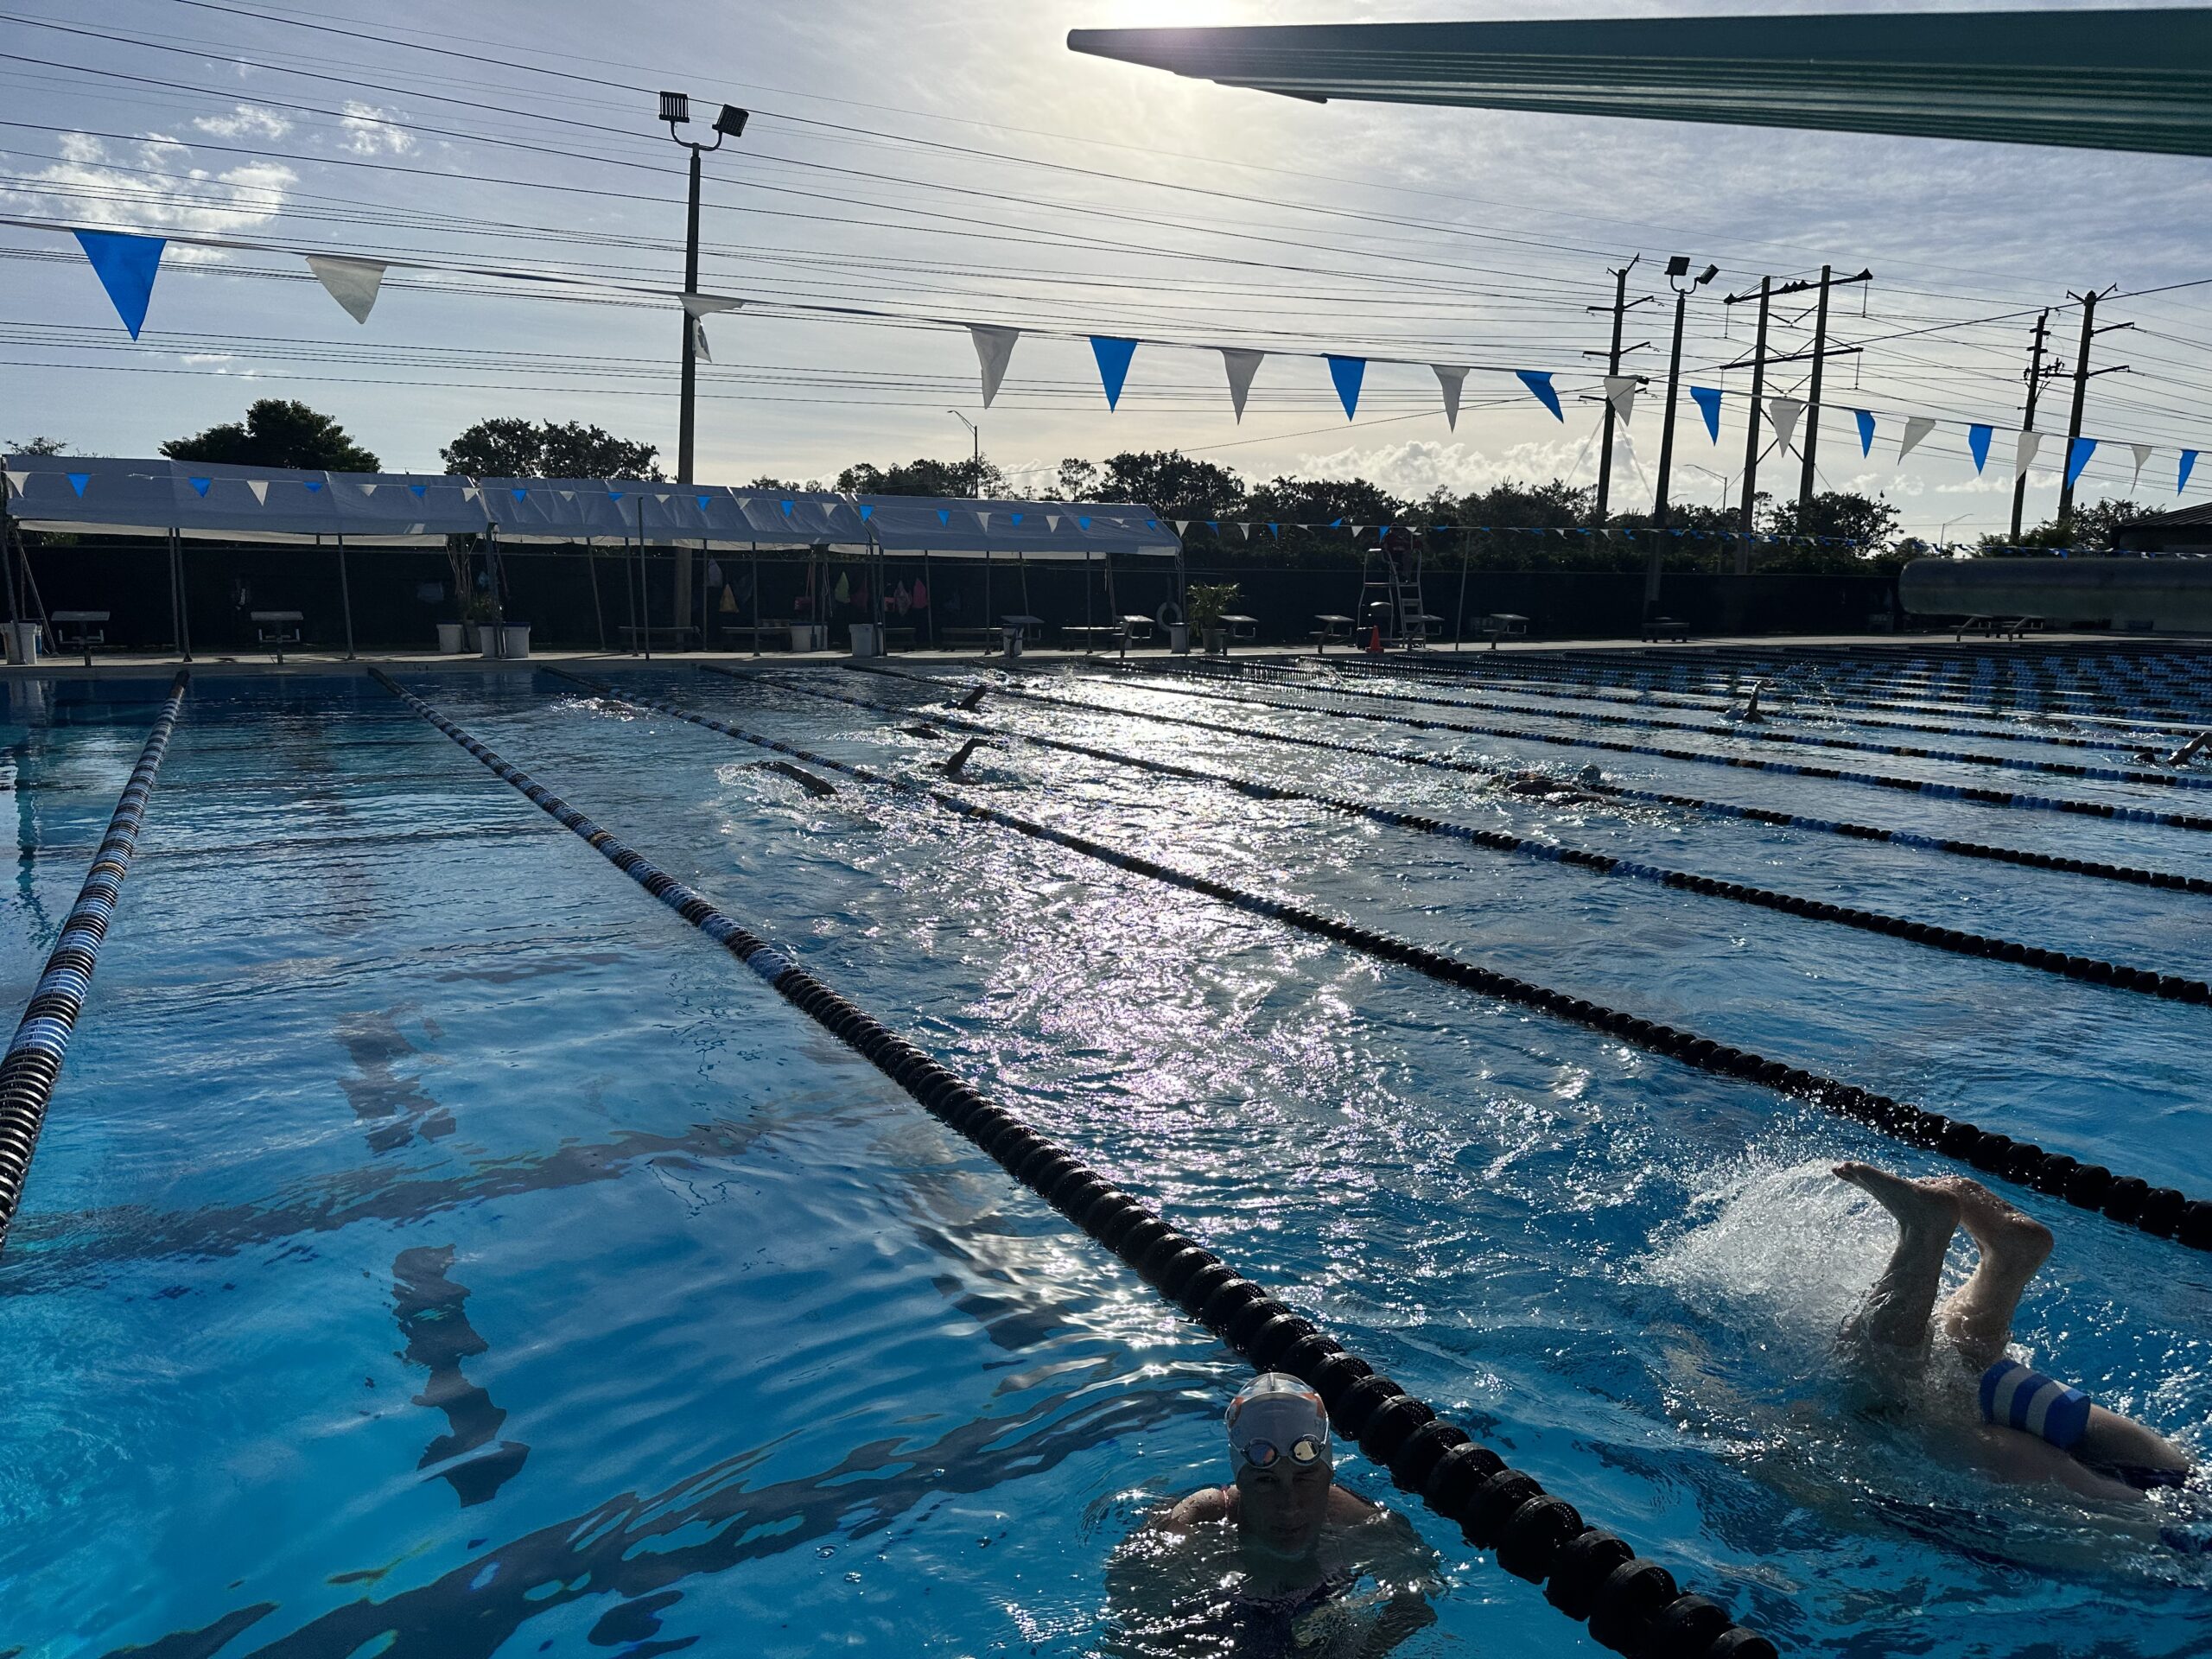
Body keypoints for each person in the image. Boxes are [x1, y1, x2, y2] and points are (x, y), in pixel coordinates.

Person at [1834, 1162, 2193, 1501]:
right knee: (1881, 1410)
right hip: (2146, 1521)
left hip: (2174, 1471)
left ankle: (2005, 1259)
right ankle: (1926, 1235)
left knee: (1971, 1372)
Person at [1107, 1373, 1438, 1656]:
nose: (1289, 1504)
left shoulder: (1365, 1526)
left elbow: (1414, 1608)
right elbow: (1131, 1630)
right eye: (1266, 1481)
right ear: (1241, 1481)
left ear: (1328, 1475)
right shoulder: (1192, 1529)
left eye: (1304, 1478)